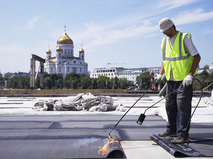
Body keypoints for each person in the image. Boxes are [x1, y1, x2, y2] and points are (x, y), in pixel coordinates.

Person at [155, 17, 201, 144]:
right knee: (169, 105)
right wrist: (161, 74)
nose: (164, 33)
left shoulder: (184, 38)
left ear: (171, 27)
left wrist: (190, 74)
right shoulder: (164, 41)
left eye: (165, 30)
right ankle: (172, 130)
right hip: (170, 79)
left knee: (182, 107)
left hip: (184, 80)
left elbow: (197, 57)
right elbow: (165, 60)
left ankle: (182, 135)